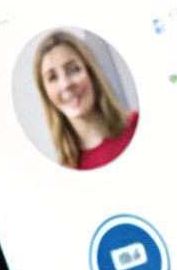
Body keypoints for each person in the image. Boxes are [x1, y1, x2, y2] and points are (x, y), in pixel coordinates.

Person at [30, 29, 139, 171]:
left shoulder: (138, 126)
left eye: (73, 69)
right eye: (53, 77)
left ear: (91, 73)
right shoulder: (65, 173)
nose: (65, 84)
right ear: (46, 93)